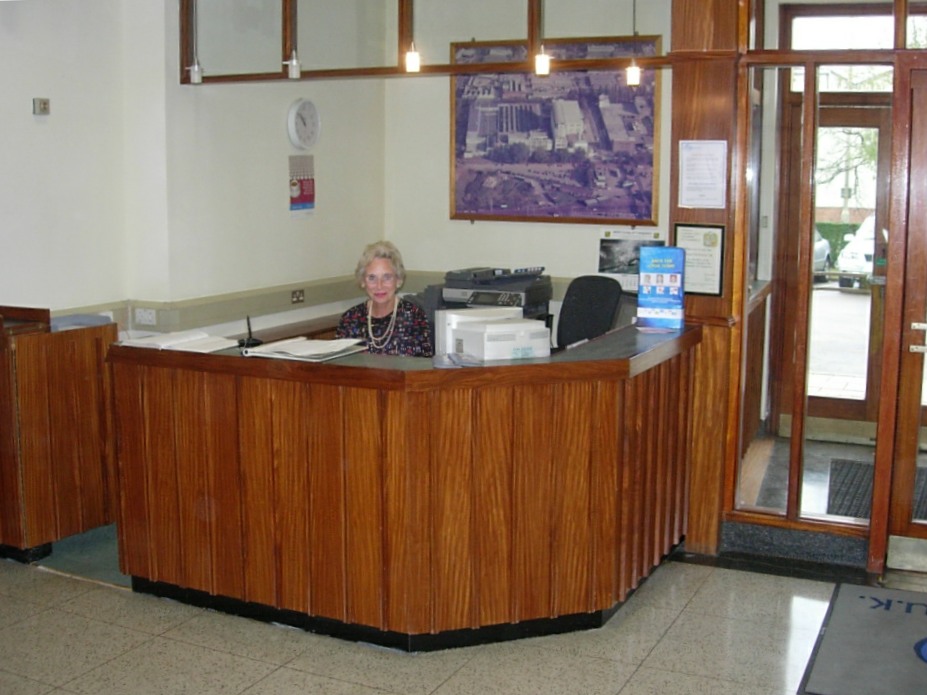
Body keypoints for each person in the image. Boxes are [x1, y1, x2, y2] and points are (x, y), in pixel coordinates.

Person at [336, 240, 434, 356]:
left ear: (398, 280)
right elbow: (339, 368)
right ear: (363, 281)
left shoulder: (415, 317)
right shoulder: (350, 319)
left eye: (387, 277)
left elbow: (422, 368)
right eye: (372, 278)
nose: (379, 286)